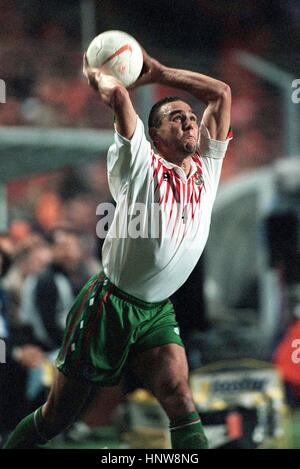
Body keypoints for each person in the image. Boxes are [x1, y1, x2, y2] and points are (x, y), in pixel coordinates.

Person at [4, 44, 231, 450]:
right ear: (155, 134)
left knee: (180, 398)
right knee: (57, 417)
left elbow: (221, 94)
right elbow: (121, 97)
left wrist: (160, 71)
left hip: (156, 310)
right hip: (110, 306)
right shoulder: (140, 161)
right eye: (176, 118)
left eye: (192, 118)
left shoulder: (205, 168)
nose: (190, 123)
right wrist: (103, 75)